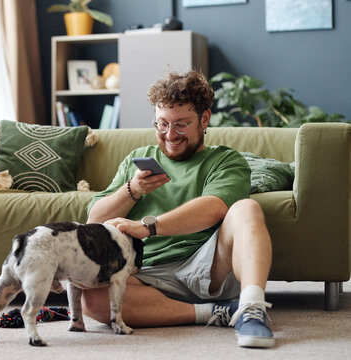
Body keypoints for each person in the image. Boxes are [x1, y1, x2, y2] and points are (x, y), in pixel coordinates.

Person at [82, 70, 275, 348]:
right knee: (92, 299)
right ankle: (216, 312)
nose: (170, 134)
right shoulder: (135, 163)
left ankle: (253, 309)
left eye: (181, 125)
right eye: (162, 124)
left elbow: (214, 207)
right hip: (147, 274)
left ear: (204, 119)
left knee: (246, 209)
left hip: (206, 265)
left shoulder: (225, 160)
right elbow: (95, 219)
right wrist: (133, 190)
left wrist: (148, 227)